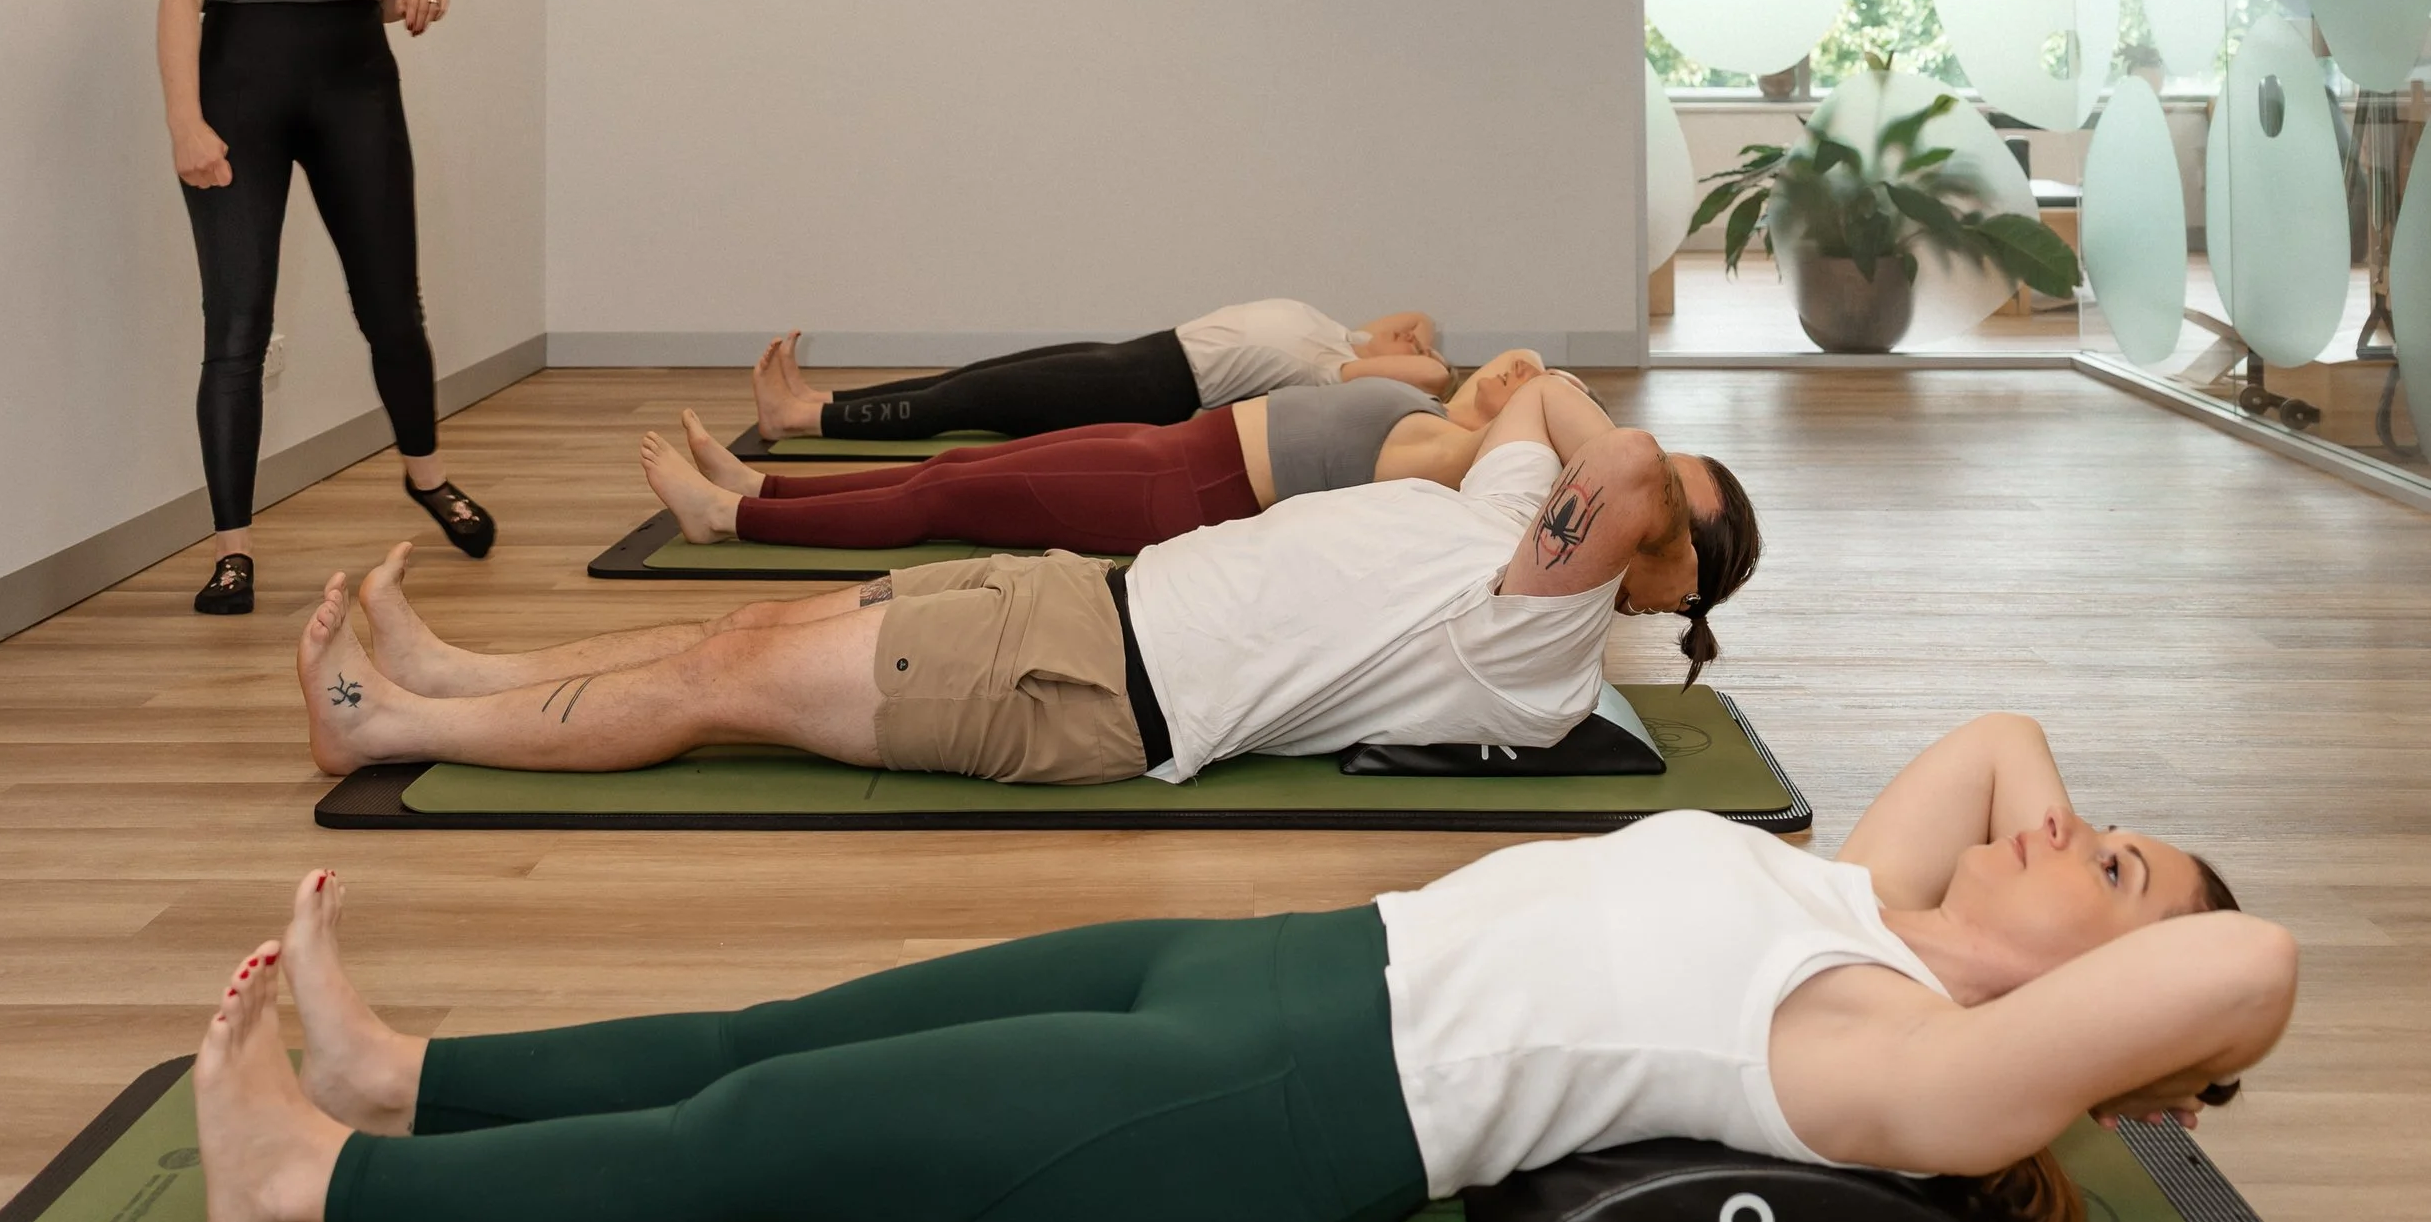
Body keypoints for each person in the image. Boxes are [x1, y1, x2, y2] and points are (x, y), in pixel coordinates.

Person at [190, 711, 2295, 1222]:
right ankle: (404, 1078)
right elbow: (2007, 734)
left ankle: (302, 1197)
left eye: (2103, 869)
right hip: (1276, 968)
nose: (2059, 825)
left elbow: (2250, 960)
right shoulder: (1870, 900)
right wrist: (2067, 885)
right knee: (783, 1031)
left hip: (1270, 1137)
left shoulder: (1911, 1065)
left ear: (2106, 1021)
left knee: (759, 1145)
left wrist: (2154, 995)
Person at [300, 374, 1757, 785]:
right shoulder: (1500, 532)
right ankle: (456, 677)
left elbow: (1617, 456)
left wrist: (1652, 503)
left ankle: (391, 726)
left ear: (1655, 573)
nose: (1622, 513)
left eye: (1653, 532)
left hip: (1084, 693)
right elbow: (1549, 397)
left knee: (716, 685)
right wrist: (1590, 441)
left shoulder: (1540, 654)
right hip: (1085, 598)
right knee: (738, 625)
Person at [159, 0, 495, 620]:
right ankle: (232, 550)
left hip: (356, 86)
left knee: (394, 302)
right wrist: (187, 120)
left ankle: (426, 476)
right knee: (237, 326)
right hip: (241, 89)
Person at [654, 345, 1748, 559]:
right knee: (956, 474)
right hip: (1172, 446)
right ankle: (768, 482)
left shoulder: (1470, 469)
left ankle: (734, 519)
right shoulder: (1469, 435)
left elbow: (1568, 417)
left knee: (949, 494)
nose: (1521, 374)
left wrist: (1611, 471)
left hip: (1172, 490)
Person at [743, 301, 1458, 445]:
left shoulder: (1336, 368)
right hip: (1138, 352)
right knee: (968, 376)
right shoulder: (1343, 332)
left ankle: (797, 419)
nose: (1406, 331)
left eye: (1408, 344)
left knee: (966, 401)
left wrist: (1427, 359)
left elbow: (1435, 372)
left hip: (1144, 389)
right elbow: (1419, 314)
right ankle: (820, 399)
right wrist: (1415, 337)